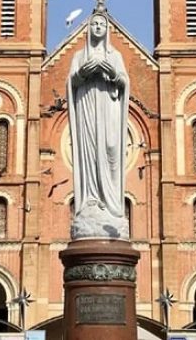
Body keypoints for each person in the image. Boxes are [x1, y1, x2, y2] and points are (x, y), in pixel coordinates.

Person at [66, 12, 130, 239]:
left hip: (109, 111)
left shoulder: (116, 55)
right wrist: (82, 74)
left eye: (102, 24)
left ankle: (111, 203)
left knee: (110, 150)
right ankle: (91, 200)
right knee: (89, 155)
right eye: (94, 23)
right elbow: (71, 82)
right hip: (87, 111)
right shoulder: (78, 56)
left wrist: (113, 73)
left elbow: (124, 82)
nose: (98, 27)